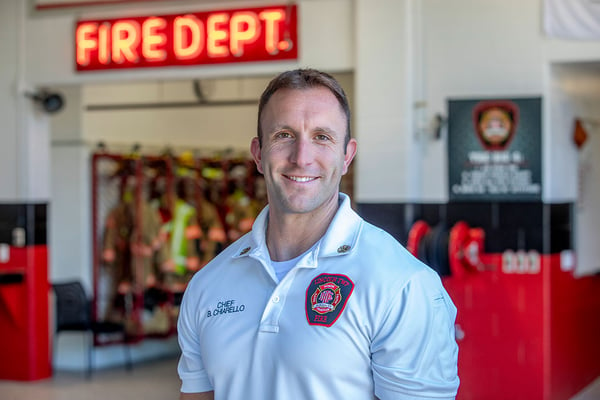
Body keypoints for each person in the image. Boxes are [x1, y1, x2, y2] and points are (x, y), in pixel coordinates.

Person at [177, 68, 460, 400]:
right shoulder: (208, 284)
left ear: (346, 156)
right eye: (284, 135)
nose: (301, 157)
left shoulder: (403, 285)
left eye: (322, 137)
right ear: (257, 153)